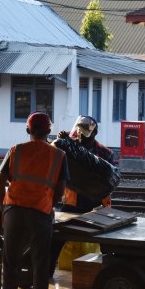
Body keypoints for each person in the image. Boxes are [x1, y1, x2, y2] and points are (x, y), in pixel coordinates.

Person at [0, 112, 68, 289]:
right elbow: (60, 191)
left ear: (28, 130)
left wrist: (3, 208)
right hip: (40, 213)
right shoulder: (59, 155)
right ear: (48, 131)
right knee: (41, 264)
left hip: (14, 211)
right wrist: (48, 207)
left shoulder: (16, 150)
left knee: (9, 263)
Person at [49, 115, 114, 276]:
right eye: (79, 131)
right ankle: (47, 270)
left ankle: (110, 272)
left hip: (95, 203)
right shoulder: (69, 146)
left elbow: (107, 179)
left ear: (95, 133)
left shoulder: (105, 153)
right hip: (71, 203)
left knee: (106, 242)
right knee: (57, 238)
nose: (81, 136)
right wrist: (61, 142)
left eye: (86, 133)